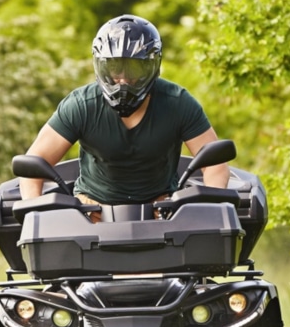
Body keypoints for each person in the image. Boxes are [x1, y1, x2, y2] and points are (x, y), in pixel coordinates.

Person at [19, 14, 229, 220]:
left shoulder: (178, 102)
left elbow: (215, 164)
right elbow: (34, 163)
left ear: (152, 65)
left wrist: (208, 212)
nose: (123, 78)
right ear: (100, 65)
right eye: (114, 67)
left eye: (134, 67)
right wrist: (34, 214)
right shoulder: (81, 105)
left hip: (161, 208)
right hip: (91, 210)